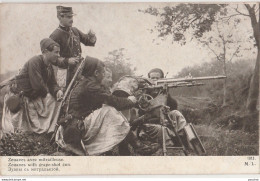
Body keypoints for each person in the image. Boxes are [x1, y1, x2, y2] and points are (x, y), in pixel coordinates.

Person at [55, 56, 159, 155]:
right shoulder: (91, 86)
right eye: (103, 72)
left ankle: (128, 149)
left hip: (76, 126)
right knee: (109, 111)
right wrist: (131, 101)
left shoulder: (86, 83)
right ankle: (138, 146)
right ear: (96, 73)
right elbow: (115, 102)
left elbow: (110, 98)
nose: (104, 75)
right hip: (77, 130)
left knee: (109, 112)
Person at [1, 38, 65, 136]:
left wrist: (57, 91)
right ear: (45, 52)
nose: (58, 55)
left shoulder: (49, 66)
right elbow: (38, 85)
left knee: (56, 99)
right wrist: (49, 92)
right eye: (56, 52)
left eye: (59, 52)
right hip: (20, 96)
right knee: (16, 129)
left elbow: (52, 83)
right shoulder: (35, 61)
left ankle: (48, 128)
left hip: (34, 95)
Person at [50, 6, 97, 86]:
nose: (71, 19)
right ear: (60, 17)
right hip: (65, 73)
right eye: (68, 17)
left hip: (79, 69)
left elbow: (88, 41)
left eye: (71, 16)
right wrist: (67, 61)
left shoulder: (74, 30)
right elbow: (52, 58)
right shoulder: (55, 35)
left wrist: (92, 35)